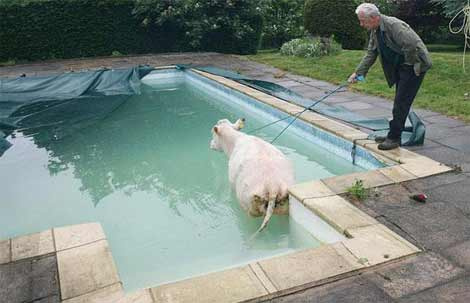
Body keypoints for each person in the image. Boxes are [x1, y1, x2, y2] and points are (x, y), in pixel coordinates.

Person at [348, 3, 432, 150]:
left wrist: (408, 66)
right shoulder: (375, 30)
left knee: (401, 102)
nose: (361, 24)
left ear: (374, 17)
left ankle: (393, 139)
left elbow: (411, 45)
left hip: (414, 65)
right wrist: (358, 73)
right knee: (399, 102)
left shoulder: (394, 25)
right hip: (403, 66)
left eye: (363, 20)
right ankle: (394, 134)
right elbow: (371, 53)